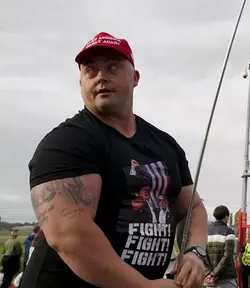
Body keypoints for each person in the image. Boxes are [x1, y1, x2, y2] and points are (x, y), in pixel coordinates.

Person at [22, 32, 208, 288]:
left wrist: (195, 252)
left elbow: (193, 208)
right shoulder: (67, 142)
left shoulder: (165, 145)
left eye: (112, 67)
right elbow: (69, 236)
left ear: (135, 78)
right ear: (81, 82)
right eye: (91, 71)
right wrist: (144, 287)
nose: (101, 77)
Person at [203, 205, 238, 288]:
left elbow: (202, 255)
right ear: (226, 217)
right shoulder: (229, 232)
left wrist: (209, 274)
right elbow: (227, 256)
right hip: (225, 277)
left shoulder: (206, 231)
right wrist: (214, 274)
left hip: (210, 279)